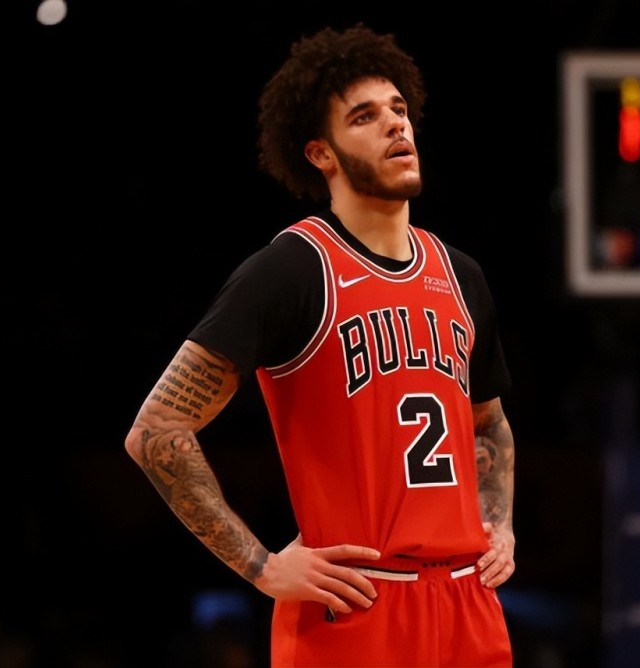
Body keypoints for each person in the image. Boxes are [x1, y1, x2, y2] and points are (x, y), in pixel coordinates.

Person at [124, 22, 517, 667]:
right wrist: (261, 566)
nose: (395, 125)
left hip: (466, 602)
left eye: (398, 109)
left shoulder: (461, 275)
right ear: (320, 154)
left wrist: (498, 522)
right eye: (365, 116)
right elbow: (156, 430)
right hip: (356, 602)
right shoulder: (293, 270)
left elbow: (489, 424)